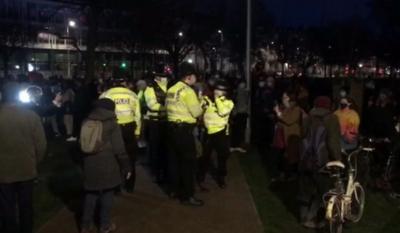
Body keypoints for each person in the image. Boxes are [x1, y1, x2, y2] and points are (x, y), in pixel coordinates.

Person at [0, 82, 47, 233]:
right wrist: (35, 162)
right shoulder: (31, 116)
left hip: (3, 171)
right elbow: (41, 145)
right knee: (26, 205)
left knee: (7, 207)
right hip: (26, 169)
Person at [80, 99, 131, 233]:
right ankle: (105, 225)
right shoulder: (112, 123)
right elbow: (119, 147)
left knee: (91, 194)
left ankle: (85, 225)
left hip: (89, 163)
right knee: (107, 194)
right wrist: (126, 165)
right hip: (108, 163)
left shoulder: (86, 120)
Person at [298, 96, 342, 229]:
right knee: (322, 191)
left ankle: (303, 216)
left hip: (306, 158)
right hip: (322, 160)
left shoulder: (307, 117)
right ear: (329, 106)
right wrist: (337, 159)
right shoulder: (331, 119)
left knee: (305, 189)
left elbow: (302, 135)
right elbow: (332, 142)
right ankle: (311, 218)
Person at [166, 62, 204, 206]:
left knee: (174, 162)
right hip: (184, 131)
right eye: (195, 76)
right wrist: (201, 104)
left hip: (171, 129)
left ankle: (173, 190)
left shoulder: (171, 89)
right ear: (189, 77)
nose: (196, 78)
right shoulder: (188, 91)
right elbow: (196, 112)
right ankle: (188, 196)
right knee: (188, 164)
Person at [100, 79, 141, 193]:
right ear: (125, 84)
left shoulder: (106, 94)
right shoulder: (132, 94)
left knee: (114, 156)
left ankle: (115, 186)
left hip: (113, 128)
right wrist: (137, 132)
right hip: (129, 128)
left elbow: (101, 113)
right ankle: (130, 186)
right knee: (130, 157)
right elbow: (137, 115)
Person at [198, 81, 235, 190]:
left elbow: (223, 112)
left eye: (219, 90)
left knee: (222, 157)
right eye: (215, 89)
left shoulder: (229, 103)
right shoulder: (208, 100)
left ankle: (221, 178)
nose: (216, 92)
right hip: (208, 132)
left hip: (221, 133)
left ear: (225, 92)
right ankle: (200, 177)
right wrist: (201, 100)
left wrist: (217, 99)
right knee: (205, 156)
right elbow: (199, 109)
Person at [144, 64, 169, 183]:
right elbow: (152, 105)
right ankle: (155, 171)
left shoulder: (169, 87)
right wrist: (170, 108)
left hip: (166, 121)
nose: (165, 78)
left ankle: (163, 170)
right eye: (163, 76)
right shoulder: (150, 88)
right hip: (154, 121)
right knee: (154, 147)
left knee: (164, 148)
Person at [274, 92, 304, 180]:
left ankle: (292, 175)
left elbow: (289, 120)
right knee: (282, 156)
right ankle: (283, 174)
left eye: (285, 97)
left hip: (292, 136)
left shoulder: (296, 109)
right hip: (282, 136)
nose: (283, 99)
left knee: (291, 157)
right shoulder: (285, 108)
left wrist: (279, 114)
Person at [230, 81, 249, 153]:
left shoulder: (242, 92)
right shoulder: (239, 93)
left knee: (239, 131)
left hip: (240, 113)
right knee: (238, 130)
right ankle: (234, 145)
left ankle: (236, 145)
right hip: (239, 114)